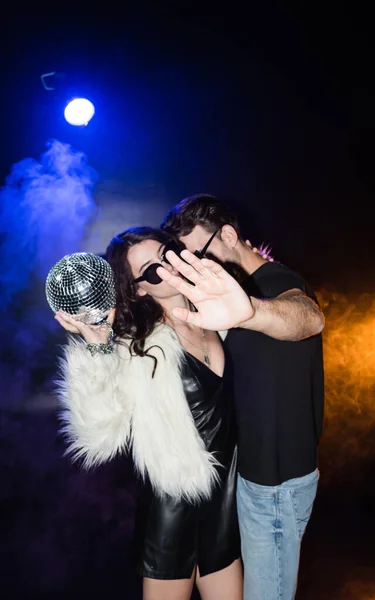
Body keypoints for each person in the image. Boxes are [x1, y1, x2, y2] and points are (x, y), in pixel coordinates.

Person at [54, 227, 252, 600]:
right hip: (173, 506)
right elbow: (100, 433)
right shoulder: (140, 347)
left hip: (225, 504)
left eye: (168, 253)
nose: (167, 267)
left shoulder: (218, 317)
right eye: (151, 269)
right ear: (139, 288)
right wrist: (98, 351)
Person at [160, 195, 325, 600]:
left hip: (276, 486)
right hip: (250, 479)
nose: (198, 266)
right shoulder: (226, 300)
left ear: (229, 235)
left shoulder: (278, 284)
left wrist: (249, 312)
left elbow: (308, 317)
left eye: (199, 253)